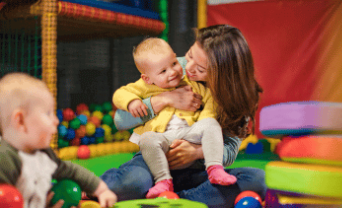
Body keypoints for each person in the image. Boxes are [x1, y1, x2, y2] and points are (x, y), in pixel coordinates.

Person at [101, 24, 266, 208]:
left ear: (220, 75)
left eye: (201, 69)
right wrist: (165, 99)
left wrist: (196, 151)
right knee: (132, 182)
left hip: (198, 169)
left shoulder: (234, 99)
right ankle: (160, 192)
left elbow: (229, 151)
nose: (188, 67)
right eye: (190, 55)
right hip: (154, 159)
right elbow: (120, 120)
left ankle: (174, 199)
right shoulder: (172, 66)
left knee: (258, 179)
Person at [113, 37, 237, 198]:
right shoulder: (149, 82)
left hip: (190, 142)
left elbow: (210, 108)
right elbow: (120, 104)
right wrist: (134, 102)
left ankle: (214, 170)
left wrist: (198, 149)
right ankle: (163, 181)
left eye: (174, 64)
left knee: (211, 124)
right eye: (164, 71)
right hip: (161, 139)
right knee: (146, 140)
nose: (173, 71)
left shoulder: (193, 84)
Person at [0, 73, 117, 208]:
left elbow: (71, 170)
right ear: (20, 121)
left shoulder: (44, 155)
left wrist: (101, 190)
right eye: (48, 113)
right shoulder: (5, 159)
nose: (56, 121)